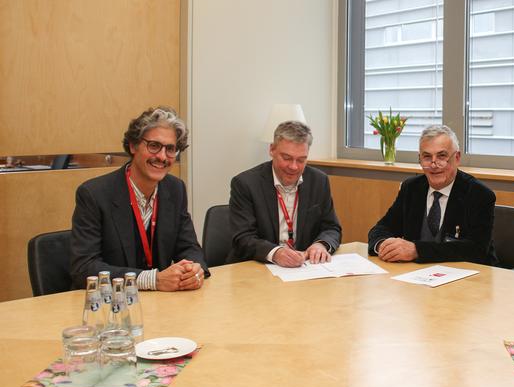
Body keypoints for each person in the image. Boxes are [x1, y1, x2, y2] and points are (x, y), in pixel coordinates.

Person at [70, 107, 208, 291]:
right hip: (109, 305)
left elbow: (189, 246)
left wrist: (194, 269)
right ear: (133, 146)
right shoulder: (94, 194)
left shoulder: (175, 189)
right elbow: (84, 268)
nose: (162, 156)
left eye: (170, 149)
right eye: (153, 146)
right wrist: (153, 280)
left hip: (163, 305)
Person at [368, 125, 497, 265]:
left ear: (457, 158)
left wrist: (417, 250)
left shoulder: (479, 194)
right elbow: (381, 229)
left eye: (442, 156)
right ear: (420, 160)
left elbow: (476, 250)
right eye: (427, 157)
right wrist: (384, 246)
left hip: (470, 278)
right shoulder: (411, 188)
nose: (434, 165)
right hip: (417, 276)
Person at [228, 120, 341, 267]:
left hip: (304, 268)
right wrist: (276, 253)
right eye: (287, 158)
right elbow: (243, 238)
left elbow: (332, 228)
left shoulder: (319, 181)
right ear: (272, 150)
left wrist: (321, 245)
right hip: (258, 267)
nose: (294, 167)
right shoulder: (245, 183)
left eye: (301, 160)